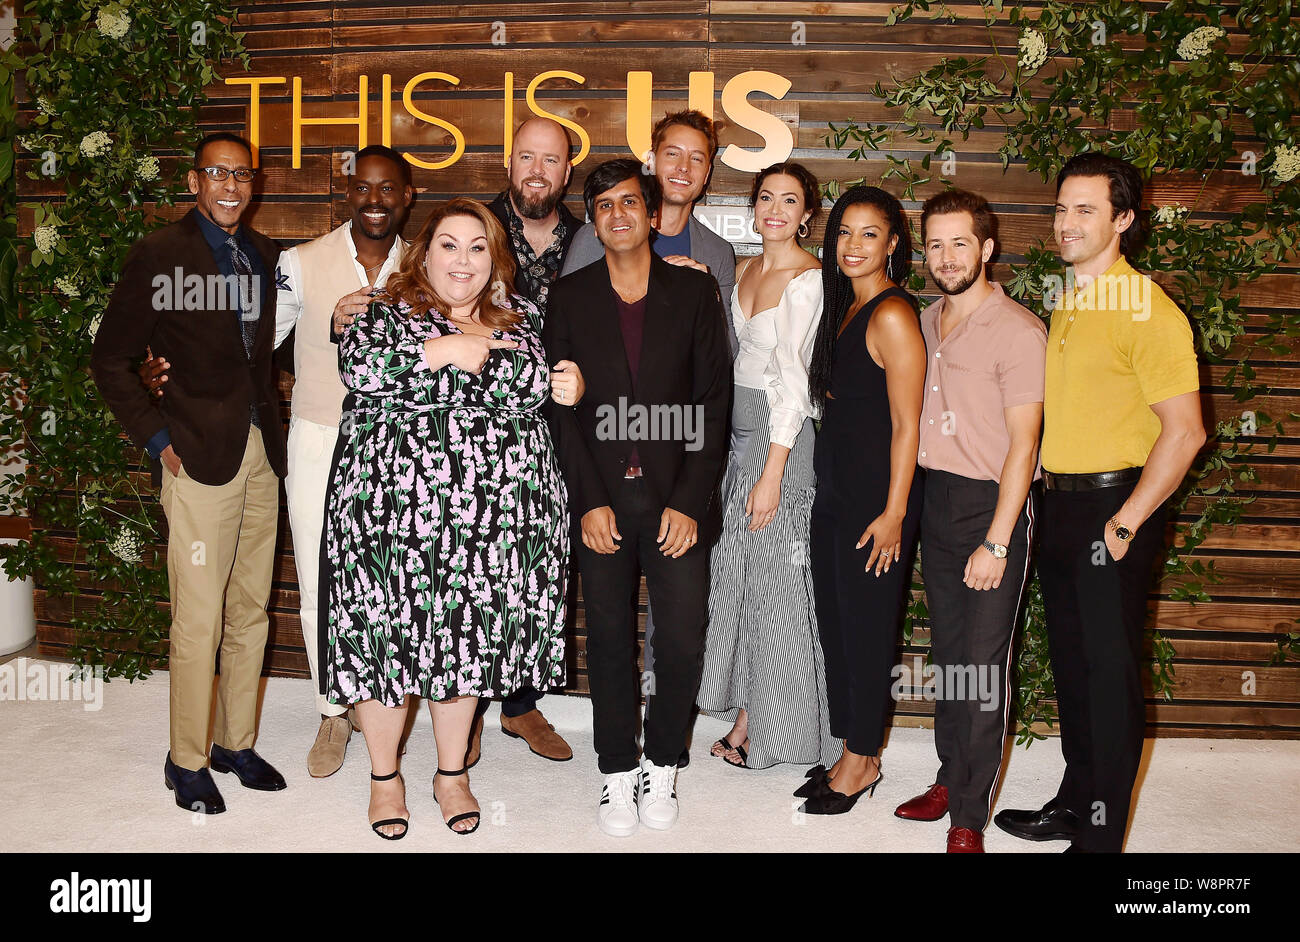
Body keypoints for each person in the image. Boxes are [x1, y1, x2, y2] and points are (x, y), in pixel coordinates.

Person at [139, 145, 415, 779]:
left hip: (401, 445)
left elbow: (254, 351)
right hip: (315, 435)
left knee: (393, 578)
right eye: (362, 188)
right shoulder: (298, 261)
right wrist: (164, 385)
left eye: (388, 189)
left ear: (406, 197)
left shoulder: (424, 265)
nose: (374, 200)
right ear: (347, 193)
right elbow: (255, 344)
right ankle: (330, 710)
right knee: (316, 577)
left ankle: (391, 705)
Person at [321, 199, 575, 839]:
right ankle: (385, 777)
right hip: (387, 513)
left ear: (494, 261)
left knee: (463, 642)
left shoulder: (523, 318)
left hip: (491, 519)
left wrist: (456, 356)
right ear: (424, 253)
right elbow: (366, 372)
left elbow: (530, 388)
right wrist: (454, 354)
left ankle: (451, 772)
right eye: (449, 245)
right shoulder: (378, 313)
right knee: (387, 643)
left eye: (477, 247)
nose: (462, 260)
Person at [994, 153, 1204, 853]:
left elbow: (1186, 431)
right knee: (1076, 669)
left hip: (1114, 508)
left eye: (1086, 209)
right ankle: (1077, 803)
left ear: (1123, 220)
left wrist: (1125, 522)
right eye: (1061, 208)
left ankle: (1100, 841)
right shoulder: (1073, 297)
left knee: (1109, 682)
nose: (1067, 223)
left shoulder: (1147, 308)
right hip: (1061, 507)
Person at [91, 132, 287, 814]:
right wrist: (157, 436)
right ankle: (185, 759)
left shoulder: (265, 256)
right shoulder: (159, 253)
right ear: (195, 182)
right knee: (198, 618)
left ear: (253, 184)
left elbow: (259, 356)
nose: (231, 186)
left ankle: (235, 741)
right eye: (217, 173)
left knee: (250, 610)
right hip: (196, 457)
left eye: (242, 174)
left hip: (261, 453)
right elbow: (110, 358)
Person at [544, 159, 731, 836]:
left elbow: (713, 404)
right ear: (593, 221)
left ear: (652, 215)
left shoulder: (692, 293)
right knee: (611, 635)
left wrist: (688, 500)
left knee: (681, 635)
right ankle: (617, 772)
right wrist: (587, 500)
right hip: (602, 501)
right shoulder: (570, 297)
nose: (617, 215)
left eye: (630, 203)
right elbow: (561, 408)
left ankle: (664, 762)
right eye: (603, 207)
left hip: (676, 499)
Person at [891, 190, 1046, 853]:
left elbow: (1025, 446)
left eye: (960, 243)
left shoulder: (1019, 330)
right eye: (935, 244)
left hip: (992, 506)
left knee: (982, 667)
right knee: (951, 658)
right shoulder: (924, 321)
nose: (947, 257)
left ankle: (969, 819)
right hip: (936, 500)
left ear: (987, 249)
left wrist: (997, 540)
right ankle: (951, 780)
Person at [695, 162, 839, 771]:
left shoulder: (809, 278)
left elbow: (794, 384)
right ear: (753, 206)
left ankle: (769, 724)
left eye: (790, 200)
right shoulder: (747, 267)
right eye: (766, 197)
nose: (775, 209)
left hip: (780, 436)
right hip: (738, 429)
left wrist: (774, 470)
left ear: (808, 214)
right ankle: (752, 709)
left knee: (777, 582)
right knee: (747, 577)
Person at [797, 185, 926, 816]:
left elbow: (909, 423)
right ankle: (857, 751)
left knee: (870, 631)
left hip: (878, 503)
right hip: (837, 495)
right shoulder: (845, 307)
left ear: (893, 244)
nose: (853, 245)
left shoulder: (893, 315)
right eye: (844, 232)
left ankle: (860, 758)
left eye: (869, 234)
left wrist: (896, 512)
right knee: (840, 627)